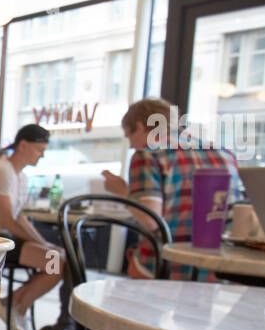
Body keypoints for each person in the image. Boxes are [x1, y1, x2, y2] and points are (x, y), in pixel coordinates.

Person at [100, 97, 241, 280]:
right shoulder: (225, 154)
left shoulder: (147, 154)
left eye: (129, 136)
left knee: (132, 266)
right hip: (218, 270)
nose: (131, 145)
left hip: (167, 266)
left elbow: (150, 220)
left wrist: (121, 191)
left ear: (140, 127)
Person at [0, 124, 62, 330]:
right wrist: (44, 246)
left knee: (57, 258)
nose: (42, 155)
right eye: (39, 149)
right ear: (23, 145)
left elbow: (20, 218)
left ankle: (13, 302)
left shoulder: (21, 177)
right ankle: (18, 306)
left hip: (3, 239)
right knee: (57, 263)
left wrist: (45, 244)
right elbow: (8, 220)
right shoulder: (2, 170)